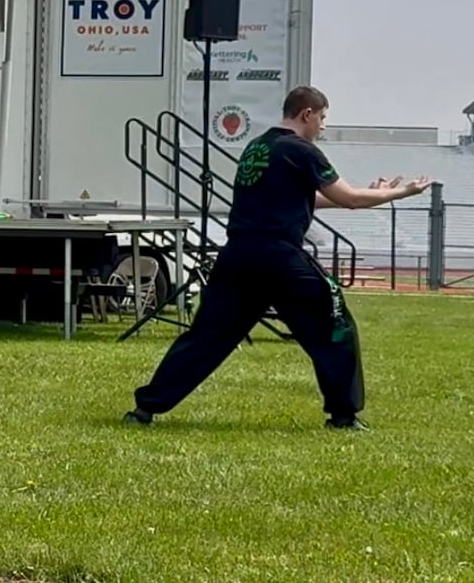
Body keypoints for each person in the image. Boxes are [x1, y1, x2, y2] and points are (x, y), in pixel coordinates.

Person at [124, 86, 432, 431]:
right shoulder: (303, 150)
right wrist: (400, 192)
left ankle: (145, 409)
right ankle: (343, 416)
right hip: (279, 258)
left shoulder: (258, 147)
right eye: (323, 118)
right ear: (307, 114)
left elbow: (305, 198)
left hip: (238, 256)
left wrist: (368, 193)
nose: (323, 126)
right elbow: (351, 199)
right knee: (336, 326)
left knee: (206, 338)